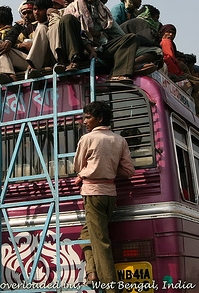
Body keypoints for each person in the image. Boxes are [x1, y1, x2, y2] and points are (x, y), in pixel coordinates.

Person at [74, 101, 135, 293]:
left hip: (92, 194)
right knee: (87, 234)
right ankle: (92, 271)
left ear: (99, 118)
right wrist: (109, 164)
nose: (85, 121)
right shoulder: (119, 140)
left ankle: (110, 288)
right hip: (110, 195)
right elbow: (129, 171)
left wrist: (87, 172)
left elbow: (78, 166)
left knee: (101, 242)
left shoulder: (87, 139)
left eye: (88, 117)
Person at [58, 0, 143, 83]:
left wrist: (130, 46)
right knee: (67, 19)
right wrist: (89, 48)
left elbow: (117, 32)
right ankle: (73, 60)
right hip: (80, 49)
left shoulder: (102, 9)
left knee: (131, 38)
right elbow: (79, 33)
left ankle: (118, 74)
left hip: (100, 47)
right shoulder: (73, 7)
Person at [160, 24, 199, 124]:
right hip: (174, 73)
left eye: (173, 33)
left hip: (174, 72)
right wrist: (179, 74)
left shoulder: (167, 43)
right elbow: (168, 59)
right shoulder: (166, 42)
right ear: (163, 32)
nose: (170, 35)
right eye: (168, 32)